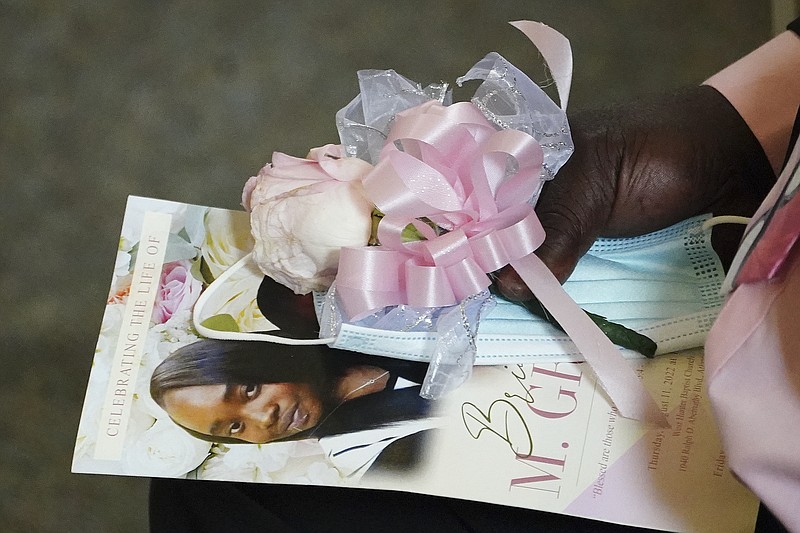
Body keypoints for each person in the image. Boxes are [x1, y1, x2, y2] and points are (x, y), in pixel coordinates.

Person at [150, 18, 800, 533]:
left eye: (240, 389)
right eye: (234, 428)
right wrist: (743, 117)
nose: (262, 412)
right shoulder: (356, 428)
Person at [150, 339, 437, 475]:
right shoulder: (356, 453)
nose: (263, 418)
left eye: (249, 389)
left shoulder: (362, 330)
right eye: (236, 427)